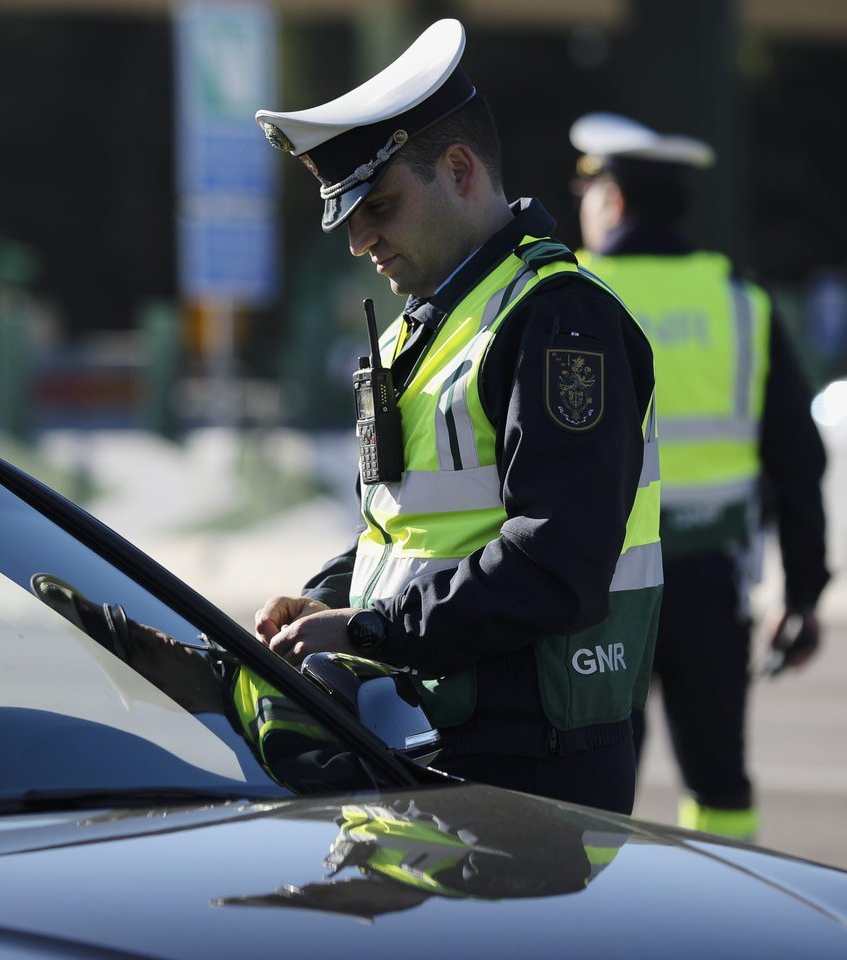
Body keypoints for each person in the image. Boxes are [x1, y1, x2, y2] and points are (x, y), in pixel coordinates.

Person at [250, 19, 663, 814]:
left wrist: (369, 633)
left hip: (531, 751)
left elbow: (555, 563)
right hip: (444, 728)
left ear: (461, 169)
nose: (359, 239)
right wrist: (329, 599)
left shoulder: (557, 319)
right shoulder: (437, 320)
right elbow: (414, 524)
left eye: (380, 205)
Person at [569, 112, 831, 839]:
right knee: (718, 781)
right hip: (711, 584)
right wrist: (805, 592)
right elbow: (798, 456)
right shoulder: (741, 303)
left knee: (589, 787)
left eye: (585, 188)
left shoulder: (571, 297)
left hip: (597, 589)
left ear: (613, 201)